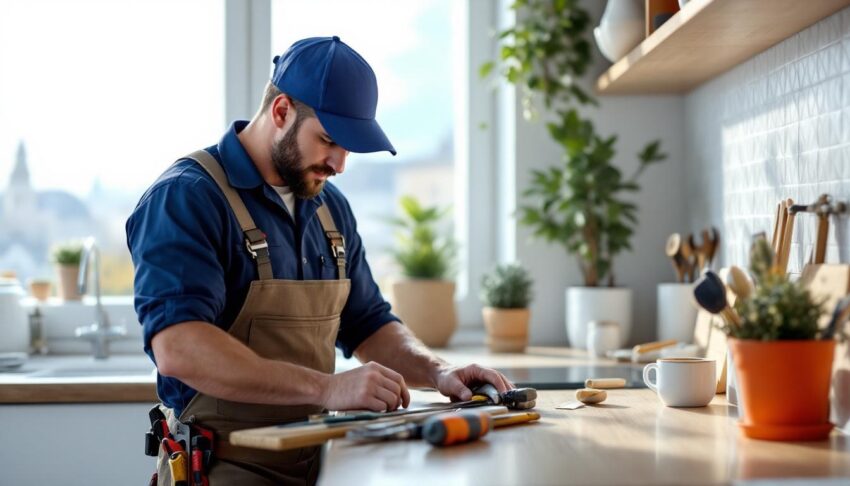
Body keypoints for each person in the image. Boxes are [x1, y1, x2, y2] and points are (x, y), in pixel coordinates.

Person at [127, 36, 514, 485]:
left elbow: (368, 323)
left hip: (322, 460)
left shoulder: (331, 210)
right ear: (281, 111)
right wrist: (329, 388)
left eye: (349, 147)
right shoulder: (187, 198)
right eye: (329, 140)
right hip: (221, 467)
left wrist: (438, 372)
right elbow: (180, 350)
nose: (340, 164)